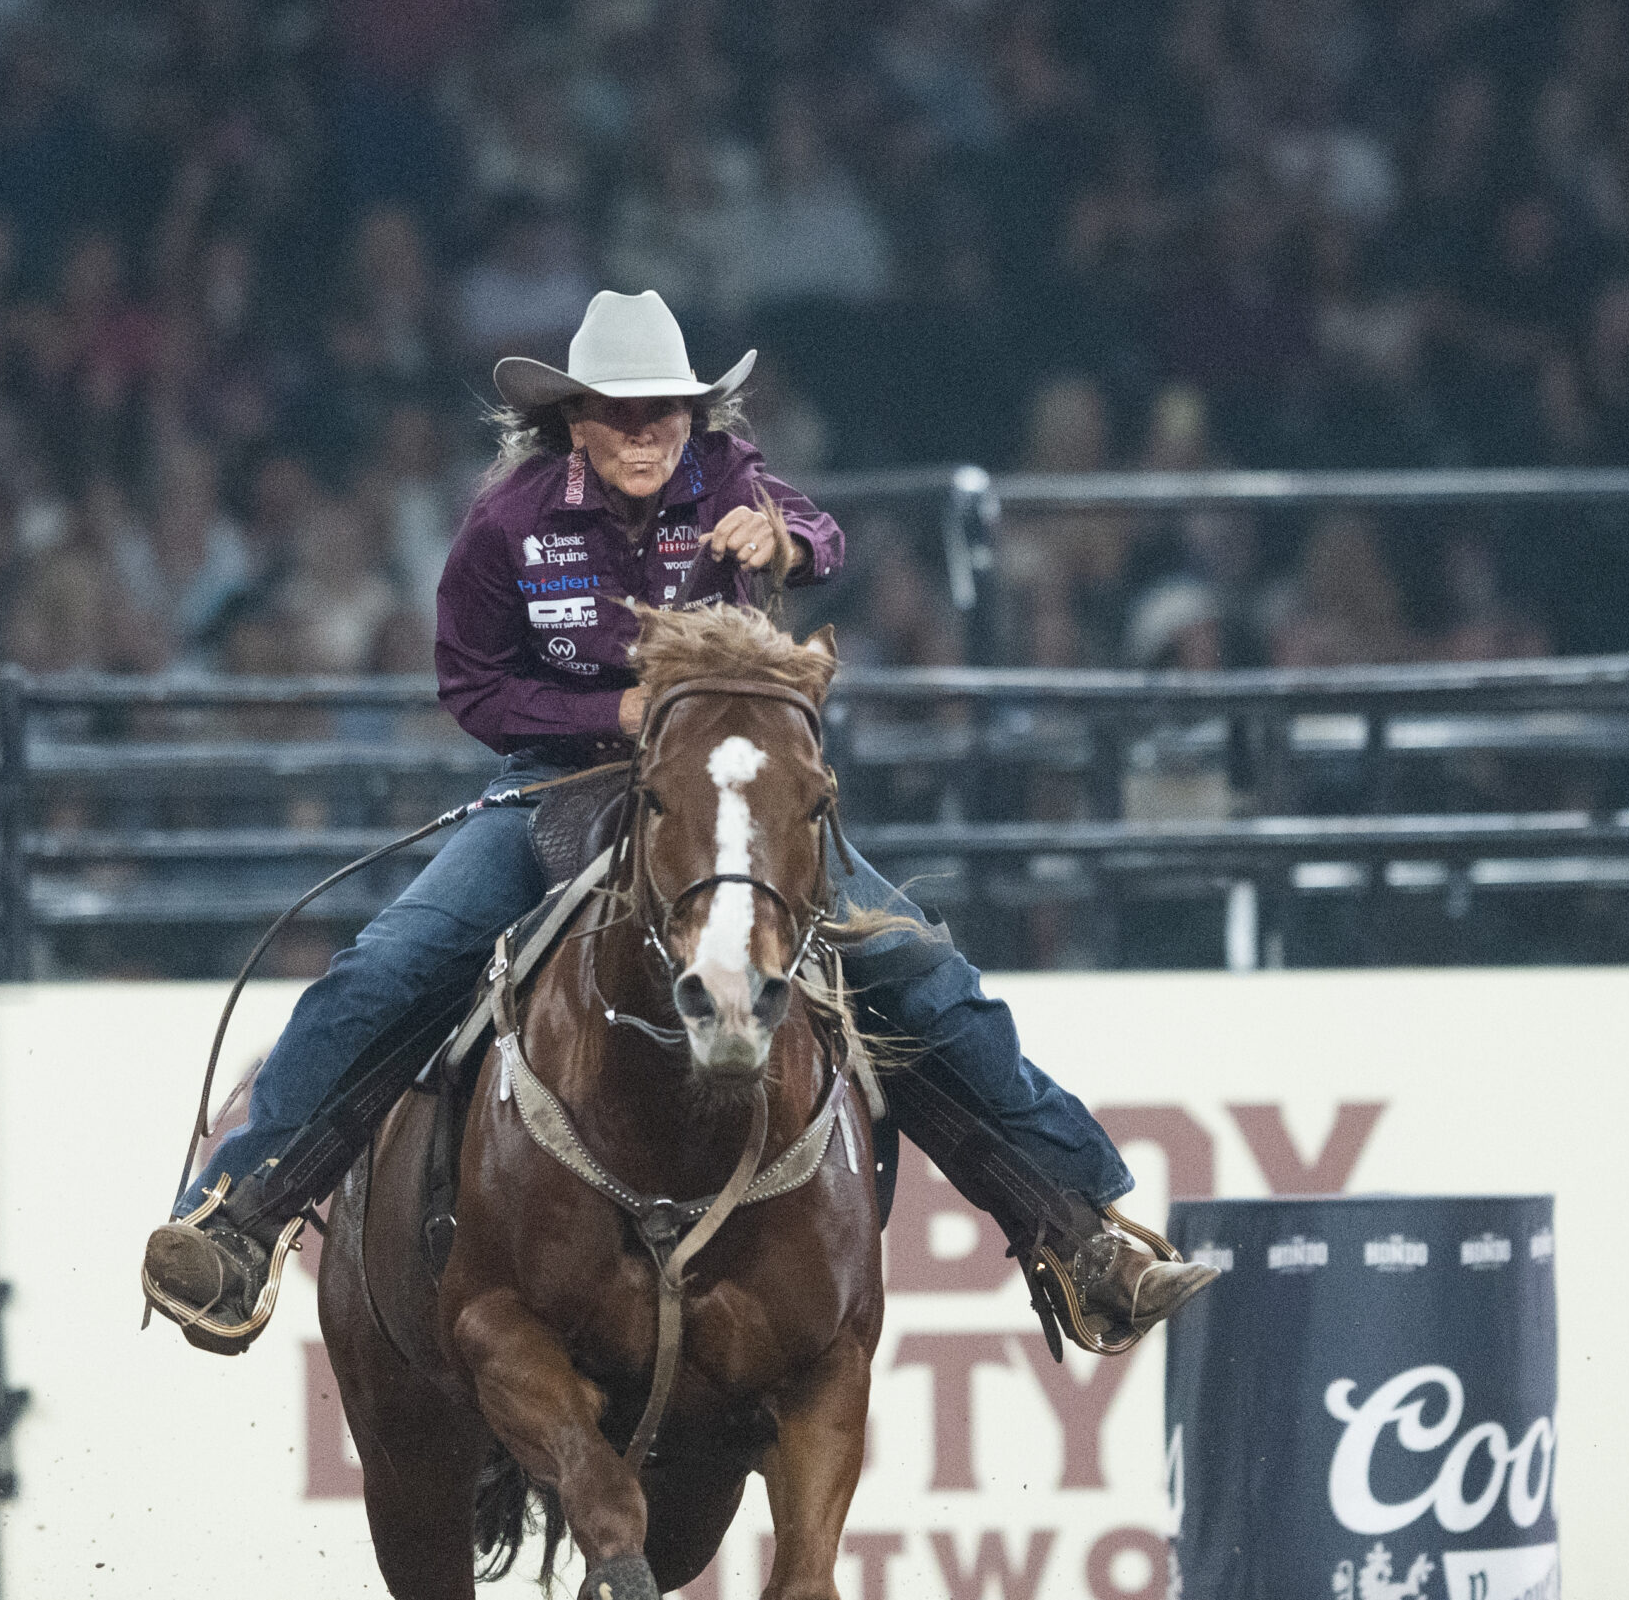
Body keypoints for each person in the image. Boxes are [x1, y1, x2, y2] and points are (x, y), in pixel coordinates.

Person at [143, 291, 1213, 1355]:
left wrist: (786, 538)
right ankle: (235, 1218)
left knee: (926, 977)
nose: (647, 432)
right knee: (393, 962)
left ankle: (1081, 1233)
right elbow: (471, 686)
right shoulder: (506, 521)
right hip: (561, 786)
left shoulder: (728, 479)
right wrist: (608, 711)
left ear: (695, 418)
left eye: (667, 410)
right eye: (621, 411)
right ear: (575, 419)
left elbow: (824, 534)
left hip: (727, 797)